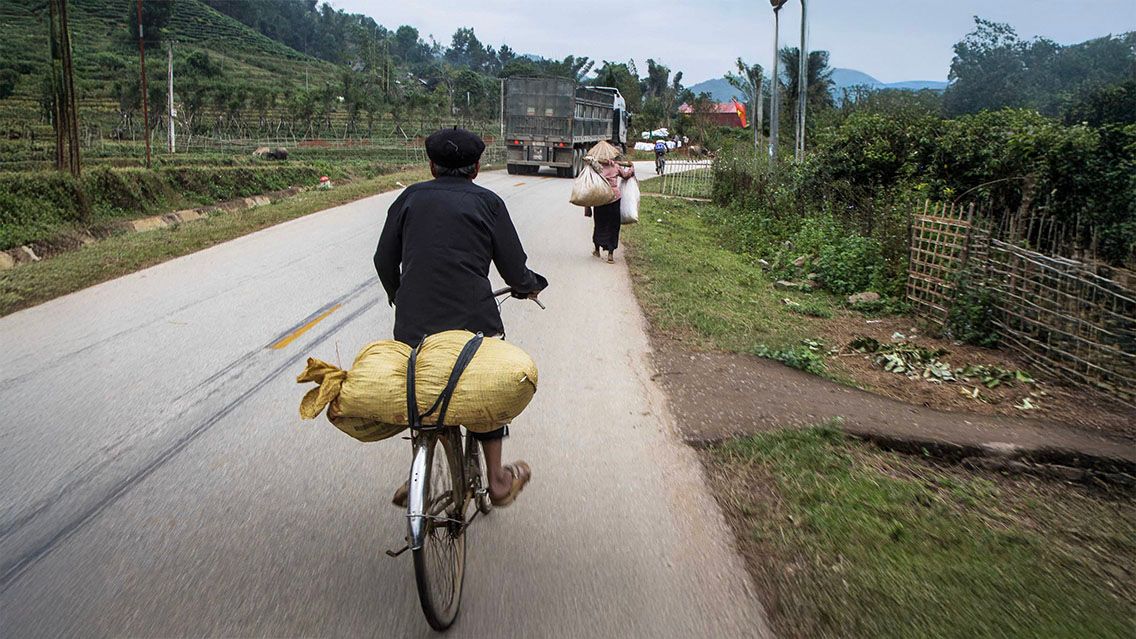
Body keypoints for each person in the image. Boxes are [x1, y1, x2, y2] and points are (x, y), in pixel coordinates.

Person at [374, 126, 547, 508]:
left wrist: (398, 294)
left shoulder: (409, 198)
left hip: (414, 324)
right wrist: (528, 285)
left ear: (432, 165)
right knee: (485, 389)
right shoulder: (489, 203)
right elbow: (515, 270)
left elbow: (383, 259)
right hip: (472, 321)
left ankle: (416, 474)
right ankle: (499, 481)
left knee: (422, 387)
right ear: (477, 168)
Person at [584, 141, 636, 263]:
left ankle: (597, 250)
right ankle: (610, 255)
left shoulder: (595, 168)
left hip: (600, 200)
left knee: (600, 224)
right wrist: (632, 168)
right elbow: (626, 175)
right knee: (613, 225)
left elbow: (589, 184)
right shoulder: (616, 167)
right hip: (614, 199)